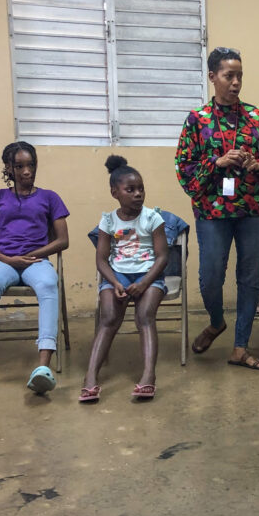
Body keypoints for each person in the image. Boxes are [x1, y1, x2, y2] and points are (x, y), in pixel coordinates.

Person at [176, 46, 259, 371]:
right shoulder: (198, 120)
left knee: (249, 277)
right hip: (213, 213)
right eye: (229, 75)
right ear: (213, 77)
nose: (236, 82)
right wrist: (217, 162)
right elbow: (184, 167)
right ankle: (215, 322)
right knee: (211, 277)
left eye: (239, 75)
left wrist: (258, 164)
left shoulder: (257, 117)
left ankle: (240, 347)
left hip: (254, 210)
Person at [0, 141, 69, 394]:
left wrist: (30, 255)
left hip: (36, 261)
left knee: (49, 284)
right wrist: (8, 259)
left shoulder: (50, 197)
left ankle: (43, 367)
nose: (26, 171)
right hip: (3, 260)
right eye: (19, 166)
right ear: (8, 168)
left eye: (31, 165)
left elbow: (63, 240)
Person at [80, 156, 168, 403]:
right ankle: (90, 379)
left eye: (141, 189)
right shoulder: (108, 221)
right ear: (115, 192)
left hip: (149, 275)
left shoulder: (153, 218)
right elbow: (101, 260)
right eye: (131, 190)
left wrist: (144, 282)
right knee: (109, 317)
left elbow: (162, 257)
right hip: (117, 275)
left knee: (145, 317)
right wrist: (116, 283)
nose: (138, 194)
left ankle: (148, 377)